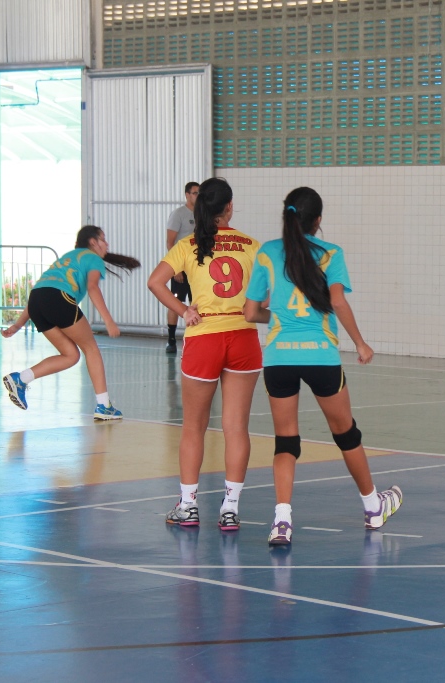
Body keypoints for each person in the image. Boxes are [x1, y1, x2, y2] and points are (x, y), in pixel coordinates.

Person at [243, 186, 402, 547]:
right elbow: (338, 303)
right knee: (346, 433)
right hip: (321, 356)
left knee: (286, 440)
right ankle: (372, 506)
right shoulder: (331, 254)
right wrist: (360, 342)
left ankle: (281, 521)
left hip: (280, 357)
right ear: (318, 221)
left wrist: (277, 314)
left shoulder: (267, 253)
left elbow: (251, 312)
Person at [148, 178, 262, 530]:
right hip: (243, 336)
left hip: (205, 337)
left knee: (194, 427)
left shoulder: (188, 244)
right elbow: (263, 299)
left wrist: (184, 312)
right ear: (229, 207)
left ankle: (188, 506)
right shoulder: (251, 245)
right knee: (236, 428)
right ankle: (230, 508)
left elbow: (154, 281)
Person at [1, 225, 140, 419]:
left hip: (37, 301)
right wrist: (108, 320)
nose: (106, 244)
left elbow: (42, 290)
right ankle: (104, 406)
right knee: (90, 348)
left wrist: (17, 325)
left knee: (71, 355)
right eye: (103, 239)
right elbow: (92, 287)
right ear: (93, 242)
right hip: (59, 299)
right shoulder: (92, 258)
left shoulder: (68, 256)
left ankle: (20, 379)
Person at [164, 181, 200, 353]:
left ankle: (195, 338)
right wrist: (176, 268)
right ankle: (171, 339)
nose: (197, 196)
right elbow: (170, 243)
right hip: (181, 268)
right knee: (176, 302)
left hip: (198, 268)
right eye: (194, 193)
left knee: (197, 303)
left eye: (199, 193)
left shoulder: (203, 214)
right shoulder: (178, 214)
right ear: (187, 195)